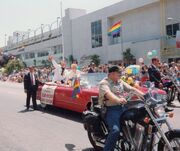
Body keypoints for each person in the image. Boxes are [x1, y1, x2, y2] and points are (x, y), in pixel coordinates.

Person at [98, 65, 144, 151]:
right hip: (111, 109)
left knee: (139, 118)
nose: (120, 75)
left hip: (123, 107)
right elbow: (109, 94)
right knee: (115, 131)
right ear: (111, 74)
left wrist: (144, 95)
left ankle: (133, 141)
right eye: (118, 74)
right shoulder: (104, 83)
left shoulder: (119, 81)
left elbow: (131, 89)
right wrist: (118, 100)